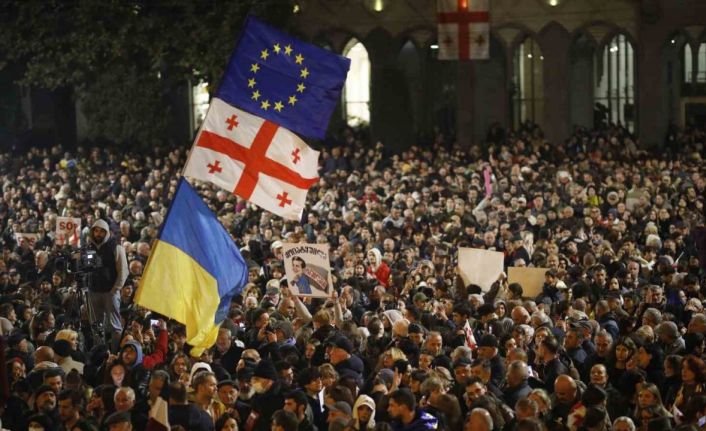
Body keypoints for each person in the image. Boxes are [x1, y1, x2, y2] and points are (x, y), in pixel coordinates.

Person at [86, 219, 128, 351]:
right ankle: (100, 352)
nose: (98, 234)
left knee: (114, 326)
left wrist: (115, 289)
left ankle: (115, 351)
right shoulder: (88, 247)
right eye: (96, 231)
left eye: (101, 232)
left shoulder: (116, 247)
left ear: (107, 233)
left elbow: (123, 271)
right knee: (97, 325)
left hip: (110, 292)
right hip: (93, 291)